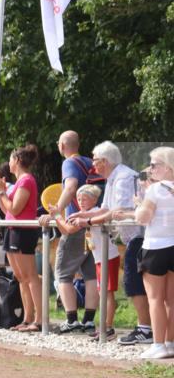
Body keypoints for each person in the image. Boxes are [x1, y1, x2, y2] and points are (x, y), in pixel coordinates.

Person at [70, 141, 152, 345]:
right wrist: (83, 213)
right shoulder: (114, 177)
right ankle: (146, 327)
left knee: (133, 283)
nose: (93, 166)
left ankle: (146, 328)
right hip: (135, 237)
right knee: (134, 283)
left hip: (140, 236)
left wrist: (87, 220)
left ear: (104, 161)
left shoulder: (123, 178)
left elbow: (117, 213)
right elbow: (106, 208)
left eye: (95, 161)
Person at [39, 130, 99, 334]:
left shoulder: (69, 163)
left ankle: (72, 319)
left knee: (62, 273)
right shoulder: (91, 163)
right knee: (91, 274)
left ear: (62, 146)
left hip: (75, 225)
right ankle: (89, 320)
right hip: (94, 224)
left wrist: (56, 210)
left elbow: (71, 187)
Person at [56, 185, 118, 339]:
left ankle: (106, 327)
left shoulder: (90, 214)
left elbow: (68, 229)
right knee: (99, 287)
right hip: (101, 255)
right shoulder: (91, 212)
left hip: (107, 255)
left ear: (95, 199)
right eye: (78, 199)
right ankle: (98, 323)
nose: (81, 201)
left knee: (107, 292)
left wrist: (57, 215)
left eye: (85, 198)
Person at [0, 144, 42, 332]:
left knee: (30, 276)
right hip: (12, 229)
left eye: (11, 159)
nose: (9, 163)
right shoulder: (20, 181)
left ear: (17, 161)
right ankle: (28, 317)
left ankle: (38, 320)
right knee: (21, 277)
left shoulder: (26, 181)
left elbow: (15, 208)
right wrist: (1, 192)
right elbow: (7, 210)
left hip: (23, 232)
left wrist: (1, 192)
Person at [134, 147, 174, 360]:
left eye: (154, 164)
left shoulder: (156, 190)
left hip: (156, 247)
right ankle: (170, 342)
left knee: (156, 299)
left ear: (167, 168)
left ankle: (158, 344)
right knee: (171, 300)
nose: (150, 168)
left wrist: (140, 201)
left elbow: (143, 217)